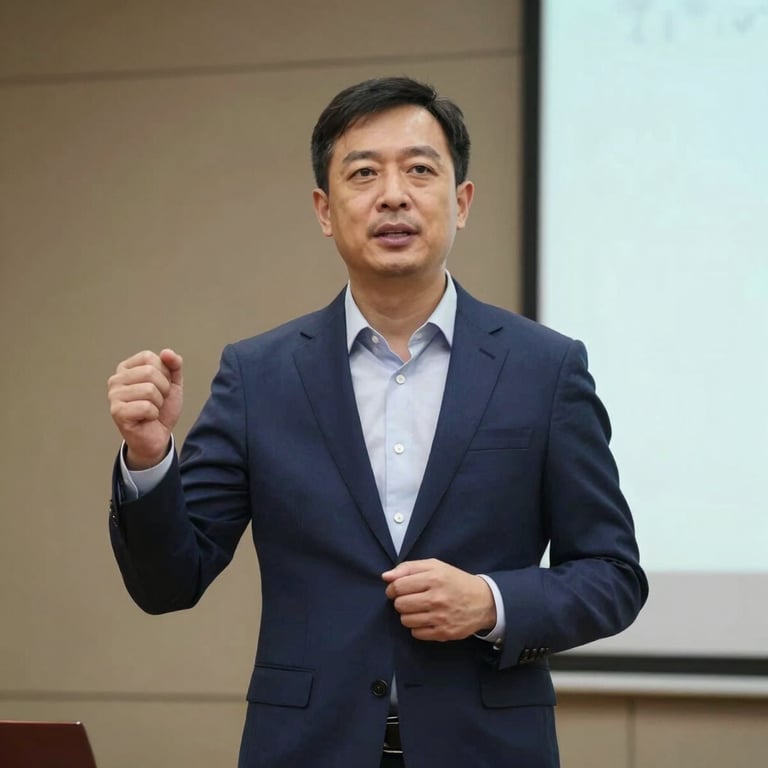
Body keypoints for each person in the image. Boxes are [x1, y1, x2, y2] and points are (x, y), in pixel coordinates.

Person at [107, 76, 648, 768]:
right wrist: (150, 458)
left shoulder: (545, 369)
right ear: (325, 209)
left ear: (462, 201)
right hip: (306, 750)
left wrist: (491, 601)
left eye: (420, 170)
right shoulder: (260, 376)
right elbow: (167, 585)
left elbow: (612, 575)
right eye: (363, 173)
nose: (393, 194)